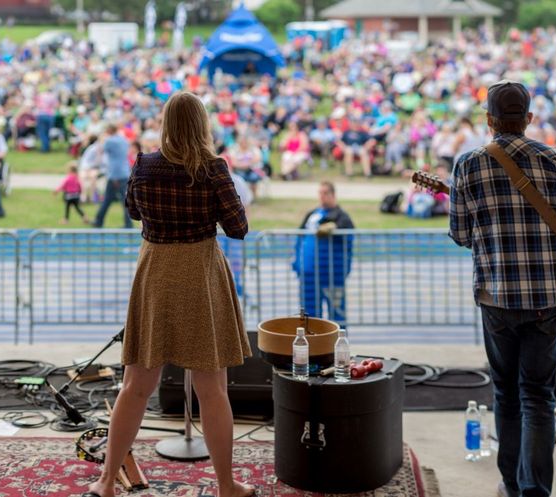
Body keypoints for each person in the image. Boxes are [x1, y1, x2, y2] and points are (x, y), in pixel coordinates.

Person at [449, 81, 556, 497]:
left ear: (489, 120)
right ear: (528, 119)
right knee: (539, 397)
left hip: (496, 297)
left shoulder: (467, 165)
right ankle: (534, 490)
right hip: (549, 299)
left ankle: (509, 484)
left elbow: (459, 235)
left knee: (505, 394)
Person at [85, 91, 253, 497]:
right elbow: (238, 228)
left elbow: (132, 211)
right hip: (199, 276)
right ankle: (226, 486)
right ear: (202, 125)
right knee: (212, 389)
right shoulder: (214, 169)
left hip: (156, 274)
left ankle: (106, 482)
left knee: (135, 386)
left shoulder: (144, 164)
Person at [293, 182, 354, 326]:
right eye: (320, 193)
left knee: (337, 314)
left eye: (325, 193)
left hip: (332, 275)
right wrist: (296, 264)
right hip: (308, 275)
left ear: (333, 195)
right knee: (309, 316)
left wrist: (335, 228)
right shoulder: (311, 214)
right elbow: (299, 238)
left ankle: (338, 344)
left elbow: (349, 241)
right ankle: (313, 346)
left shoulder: (341, 216)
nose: (322, 197)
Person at [91, 123, 132, 228]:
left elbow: (100, 150)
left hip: (115, 174)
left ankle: (99, 221)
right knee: (124, 201)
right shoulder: (123, 139)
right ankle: (127, 223)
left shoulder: (110, 141)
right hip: (124, 172)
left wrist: (102, 138)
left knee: (107, 200)